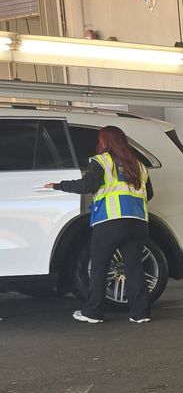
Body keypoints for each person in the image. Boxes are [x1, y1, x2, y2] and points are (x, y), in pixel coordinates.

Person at [46, 126, 154, 324]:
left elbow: (87, 186)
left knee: (99, 268)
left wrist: (58, 185)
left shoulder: (102, 161)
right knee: (134, 268)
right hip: (138, 223)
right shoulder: (139, 165)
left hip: (110, 222)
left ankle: (93, 312)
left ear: (105, 142)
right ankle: (141, 314)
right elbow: (150, 194)